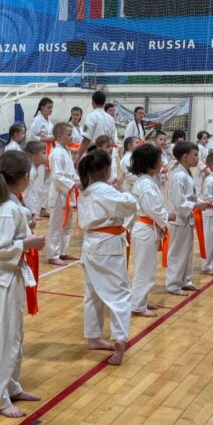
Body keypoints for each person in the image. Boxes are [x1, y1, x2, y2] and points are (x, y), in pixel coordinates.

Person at [0, 149, 45, 417]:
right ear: (22, 177)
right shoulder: (8, 208)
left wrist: (26, 230)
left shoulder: (11, 205)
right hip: (2, 281)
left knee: (14, 337)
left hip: (11, 277)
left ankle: (11, 387)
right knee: (3, 340)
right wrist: (26, 243)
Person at [77, 148, 137, 365]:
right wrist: (122, 189)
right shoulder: (105, 190)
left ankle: (93, 337)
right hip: (107, 245)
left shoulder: (86, 190)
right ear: (106, 170)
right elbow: (130, 206)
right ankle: (119, 338)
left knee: (93, 292)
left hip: (91, 243)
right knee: (120, 294)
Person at [129, 143, 168, 317]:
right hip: (145, 229)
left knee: (147, 268)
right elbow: (153, 209)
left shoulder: (148, 181)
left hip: (148, 228)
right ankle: (137, 305)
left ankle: (141, 300)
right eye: (159, 161)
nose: (161, 164)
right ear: (150, 163)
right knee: (144, 269)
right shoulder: (145, 184)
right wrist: (167, 218)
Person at [166, 140, 204, 296]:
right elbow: (178, 201)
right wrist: (195, 205)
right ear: (184, 157)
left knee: (187, 252)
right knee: (177, 253)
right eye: (195, 155)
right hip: (179, 219)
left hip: (187, 218)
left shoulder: (187, 173)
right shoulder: (178, 175)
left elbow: (190, 197)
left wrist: (201, 202)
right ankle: (173, 284)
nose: (197, 158)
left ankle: (185, 281)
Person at [45, 122, 79, 266]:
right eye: (69, 135)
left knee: (67, 224)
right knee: (57, 225)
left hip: (67, 192)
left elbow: (71, 173)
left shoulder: (66, 151)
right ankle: (53, 255)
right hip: (59, 194)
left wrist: (78, 181)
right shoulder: (56, 153)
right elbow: (57, 176)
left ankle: (63, 251)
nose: (71, 137)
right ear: (59, 136)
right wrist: (73, 184)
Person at [79, 90, 117, 160]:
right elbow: (113, 139)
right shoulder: (110, 118)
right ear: (104, 102)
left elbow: (86, 139)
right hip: (107, 152)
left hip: (94, 151)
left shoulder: (90, 117)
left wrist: (78, 157)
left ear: (93, 102)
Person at [22, 140, 47, 220]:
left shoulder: (33, 169)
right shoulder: (30, 172)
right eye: (44, 153)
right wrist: (32, 214)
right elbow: (28, 194)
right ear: (35, 156)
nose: (46, 155)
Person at [194, 130, 210, 194]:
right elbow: (198, 160)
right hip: (200, 169)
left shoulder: (206, 148)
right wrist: (205, 169)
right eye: (204, 138)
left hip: (206, 167)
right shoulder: (199, 147)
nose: (206, 140)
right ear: (199, 139)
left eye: (207, 138)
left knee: (204, 186)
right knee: (199, 186)